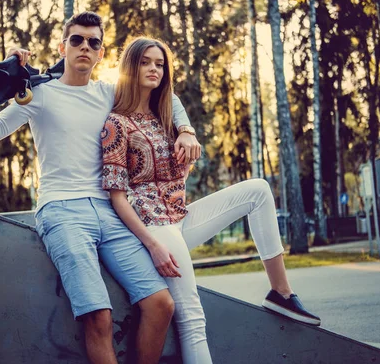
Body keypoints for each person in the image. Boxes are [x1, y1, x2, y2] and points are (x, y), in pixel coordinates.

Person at [0, 12, 201, 364]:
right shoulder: (39, 94)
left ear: (101, 53)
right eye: (77, 40)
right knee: (99, 316)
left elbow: (164, 98)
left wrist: (186, 130)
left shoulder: (109, 94)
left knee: (160, 304)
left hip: (111, 213)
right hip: (62, 212)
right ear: (63, 47)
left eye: (93, 42)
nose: (84, 47)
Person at [101, 37, 321, 364]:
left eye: (160, 64)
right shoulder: (115, 123)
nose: (153, 69)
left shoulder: (165, 120)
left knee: (258, 190)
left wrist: (187, 145)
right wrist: (151, 244)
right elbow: (117, 197)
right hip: (154, 228)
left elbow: (174, 179)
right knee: (192, 317)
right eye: (146, 62)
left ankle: (281, 293)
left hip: (179, 217)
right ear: (131, 67)